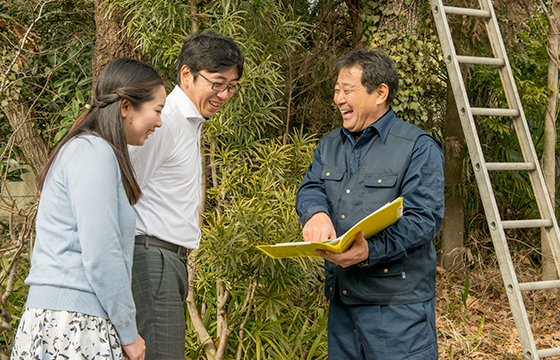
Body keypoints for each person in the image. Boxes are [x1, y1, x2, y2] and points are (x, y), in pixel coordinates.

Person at [10, 58, 166, 360]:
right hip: (73, 322)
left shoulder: (88, 150)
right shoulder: (94, 152)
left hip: (64, 318)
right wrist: (128, 332)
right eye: (157, 111)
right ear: (125, 107)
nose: (159, 122)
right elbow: (101, 253)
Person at [295, 48, 444, 360]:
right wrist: (316, 214)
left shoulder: (417, 147)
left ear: (380, 93)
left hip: (396, 309)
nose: (338, 99)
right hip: (342, 302)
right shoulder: (329, 144)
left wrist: (370, 251)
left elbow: (423, 219)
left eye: (348, 90)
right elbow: (311, 187)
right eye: (336, 90)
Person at [128, 31, 244, 359]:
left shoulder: (189, 123)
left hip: (168, 260)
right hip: (151, 258)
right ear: (186, 75)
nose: (224, 94)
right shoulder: (165, 121)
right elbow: (125, 189)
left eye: (231, 86)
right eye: (217, 83)